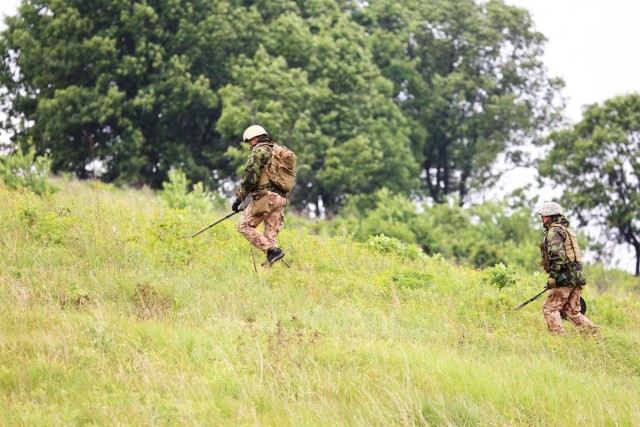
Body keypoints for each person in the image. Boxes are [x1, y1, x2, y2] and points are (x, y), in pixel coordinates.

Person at [537, 201, 599, 335]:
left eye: (544, 216)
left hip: (565, 277)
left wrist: (553, 276)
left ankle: (559, 340)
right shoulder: (565, 230)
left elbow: (558, 255)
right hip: (576, 276)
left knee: (550, 308)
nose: (542, 219)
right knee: (572, 312)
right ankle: (595, 336)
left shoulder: (554, 231)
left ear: (551, 216)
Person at [231, 125, 289, 266]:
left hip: (267, 198)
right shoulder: (279, 152)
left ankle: (272, 251)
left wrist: (239, 198)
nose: (249, 145)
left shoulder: (259, 151)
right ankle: (273, 272)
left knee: (243, 226)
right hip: (281, 199)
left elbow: (250, 177)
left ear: (255, 138)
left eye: (249, 142)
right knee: (269, 236)